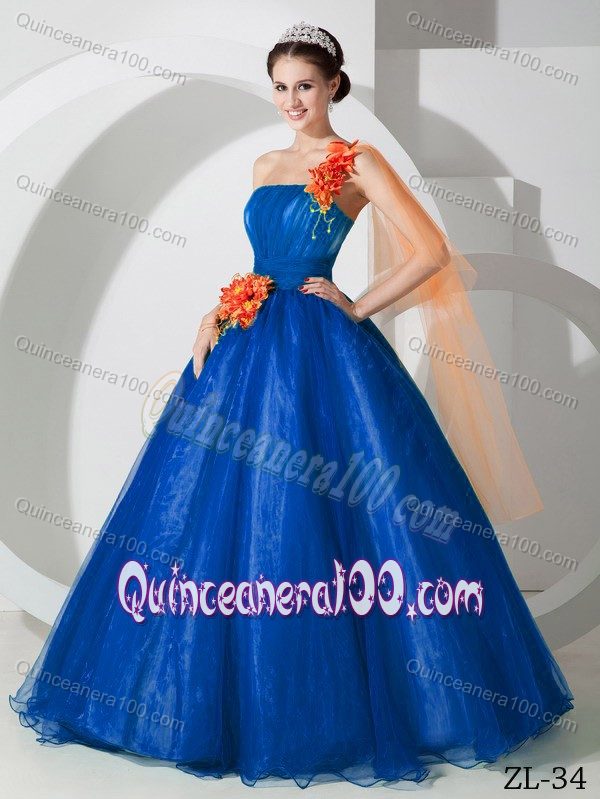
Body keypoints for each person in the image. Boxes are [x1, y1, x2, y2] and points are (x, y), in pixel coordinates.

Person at [9, 21, 574, 789]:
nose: (291, 100)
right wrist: (216, 311)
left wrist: (357, 305)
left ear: (334, 85)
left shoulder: (357, 160)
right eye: (280, 87)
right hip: (249, 338)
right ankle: (227, 697)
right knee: (221, 511)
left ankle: (371, 696)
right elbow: (262, 262)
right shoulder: (264, 163)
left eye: (305, 85)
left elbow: (432, 251)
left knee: (338, 510)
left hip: (322, 346)